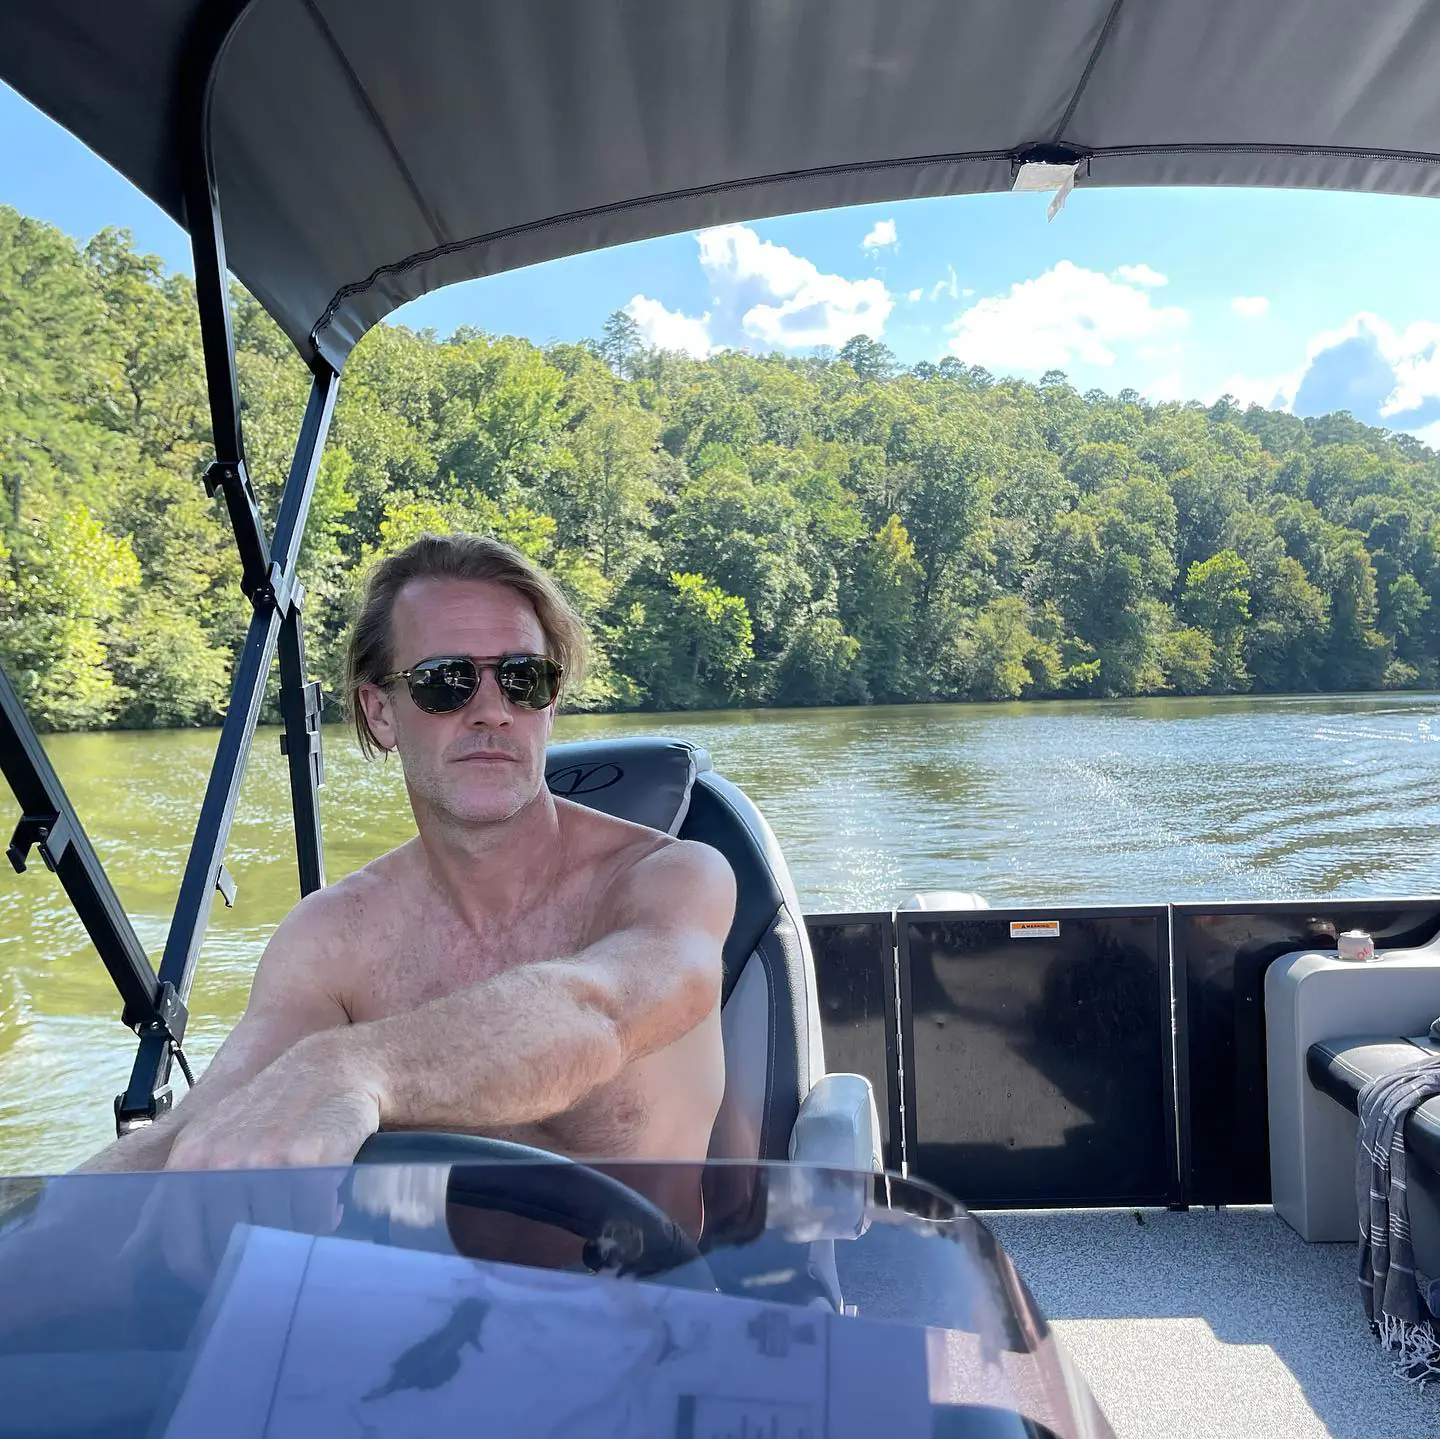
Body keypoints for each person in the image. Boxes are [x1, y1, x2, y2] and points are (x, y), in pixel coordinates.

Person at [76, 534, 735, 1238]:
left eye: (523, 678)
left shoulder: (671, 880)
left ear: (550, 705)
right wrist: (38, 1234)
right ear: (381, 712)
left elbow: (599, 1014)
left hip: (647, 1301)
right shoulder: (334, 936)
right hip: (404, 1303)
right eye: (445, 681)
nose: (492, 709)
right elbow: (193, 1132)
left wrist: (350, 1066)